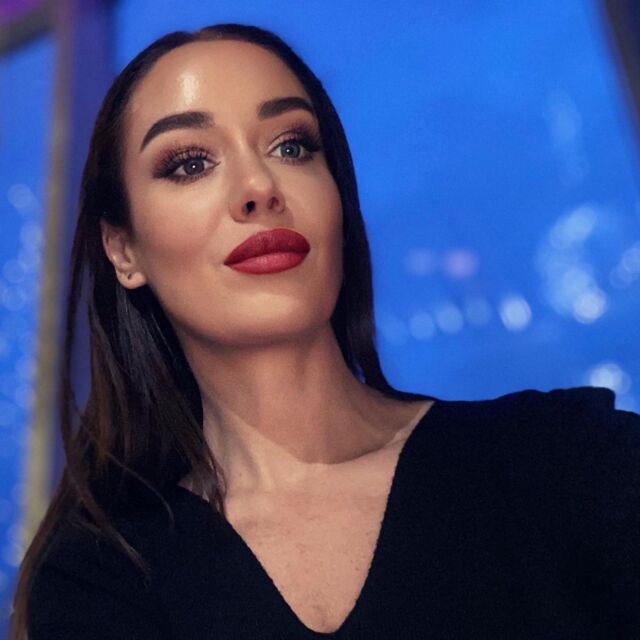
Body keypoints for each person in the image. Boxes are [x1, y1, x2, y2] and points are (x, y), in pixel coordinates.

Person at [9, 23, 640, 640]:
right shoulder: (102, 577)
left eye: (291, 147)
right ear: (123, 250)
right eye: (190, 163)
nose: (259, 188)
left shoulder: (567, 462)